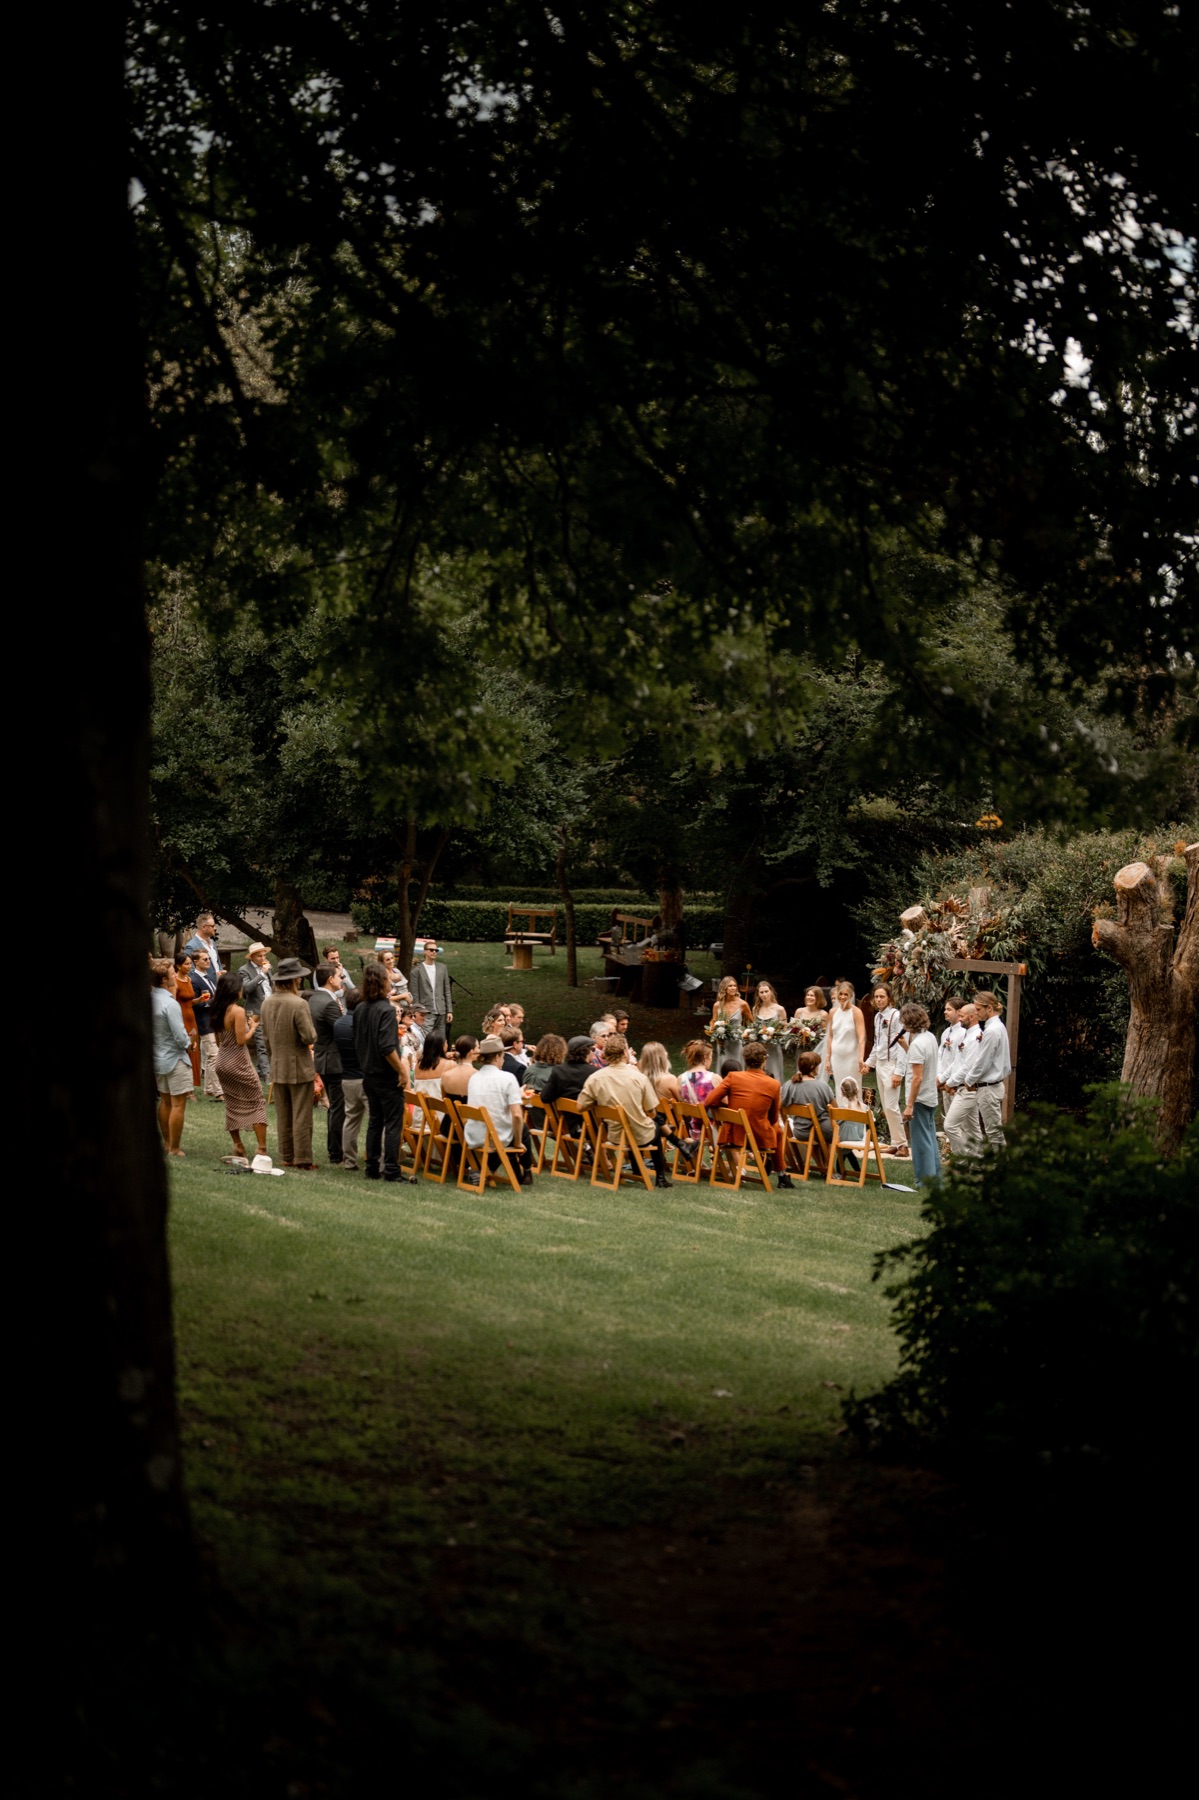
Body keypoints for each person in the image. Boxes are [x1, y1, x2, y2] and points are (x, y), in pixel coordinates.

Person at [578, 1033, 671, 1187]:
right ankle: (661, 1177)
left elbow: (580, 1106)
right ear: (624, 1053)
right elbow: (651, 1112)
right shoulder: (638, 1078)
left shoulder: (595, 1078)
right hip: (639, 1136)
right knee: (654, 1125)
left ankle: (637, 1169)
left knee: (642, 1125)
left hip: (614, 1135)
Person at [702, 1040, 792, 1187]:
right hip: (758, 1138)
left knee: (776, 1130)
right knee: (777, 1130)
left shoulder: (733, 1077)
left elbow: (710, 1100)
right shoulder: (773, 1084)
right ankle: (782, 1176)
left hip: (732, 1135)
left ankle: (781, 1175)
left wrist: (729, 1111)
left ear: (744, 1059)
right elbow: (773, 1117)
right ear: (764, 1060)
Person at [352, 961, 412, 1181]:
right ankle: (392, 1170)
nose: (391, 981)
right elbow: (387, 1047)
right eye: (388, 978)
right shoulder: (386, 1010)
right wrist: (402, 1071)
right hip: (386, 1075)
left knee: (375, 1121)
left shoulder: (360, 1009)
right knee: (393, 1123)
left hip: (368, 1073)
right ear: (381, 982)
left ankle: (371, 1168)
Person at [261, 957, 318, 1171]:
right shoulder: (299, 1003)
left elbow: (266, 1038)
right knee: (302, 1114)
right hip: (299, 1066)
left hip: (277, 1064)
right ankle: (302, 1158)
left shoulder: (267, 1003)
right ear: (294, 980)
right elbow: (309, 1037)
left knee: (283, 1114)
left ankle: (286, 1155)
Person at [211, 970, 269, 1163]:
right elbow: (241, 1040)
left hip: (222, 1061)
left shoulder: (217, 1008)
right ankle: (261, 1148)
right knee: (257, 1101)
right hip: (238, 1061)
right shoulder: (237, 1011)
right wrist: (252, 1027)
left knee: (232, 1103)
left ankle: (237, 1144)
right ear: (234, 989)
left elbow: (220, 1041)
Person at [464, 1034, 532, 1185]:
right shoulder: (507, 1078)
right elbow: (517, 1116)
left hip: (473, 1135)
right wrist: (518, 1143)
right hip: (494, 1137)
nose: (503, 1060)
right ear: (496, 1057)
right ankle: (527, 1170)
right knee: (522, 1127)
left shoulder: (474, 1078)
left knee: (503, 1127)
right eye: (502, 1056)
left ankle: (481, 1169)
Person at [150, 958, 192, 1157]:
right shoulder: (170, 1003)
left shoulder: (149, 999)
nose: (176, 974)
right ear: (164, 980)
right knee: (177, 1104)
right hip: (175, 1059)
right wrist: (189, 1044)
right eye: (172, 972)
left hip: (158, 1057)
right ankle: (174, 1147)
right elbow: (179, 1035)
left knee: (165, 1102)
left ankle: (167, 1143)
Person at [634, 1040, 698, 1170]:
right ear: (660, 1058)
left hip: (651, 1121)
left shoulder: (640, 1078)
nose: (667, 1053)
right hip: (675, 1123)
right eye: (664, 1052)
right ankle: (691, 1156)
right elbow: (682, 1103)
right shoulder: (669, 1079)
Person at [863, 981, 909, 1156]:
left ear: (890, 998)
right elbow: (878, 1044)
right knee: (886, 1106)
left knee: (891, 1106)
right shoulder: (877, 1017)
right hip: (881, 1064)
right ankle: (895, 1143)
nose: (879, 1000)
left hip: (892, 1065)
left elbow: (902, 1045)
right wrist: (869, 1063)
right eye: (876, 997)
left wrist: (899, 1071)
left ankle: (903, 1144)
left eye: (882, 996)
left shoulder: (896, 1016)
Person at [307, 961, 346, 1166]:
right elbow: (342, 1031)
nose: (343, 979)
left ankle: (336, 1149)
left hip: (323, 1056)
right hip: (333, 1059)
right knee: (338, 1107)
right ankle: (336, 1152)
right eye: (340, 976)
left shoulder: (315, 998)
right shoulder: (329, 1003)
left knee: (335, 1106)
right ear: (330, 979)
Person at [900, 1002, 942, 1183]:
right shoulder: (930, 1037)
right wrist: (905, 1048)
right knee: (930, 1140)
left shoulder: (918, 1044)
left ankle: (924, 1180)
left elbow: (917, 1077)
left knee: (920, 1143)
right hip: (930, 1096)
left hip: (920, 1098)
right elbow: (921, 1061)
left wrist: (909, 1105)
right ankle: (935, 1177)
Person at [971, 991, 1012, 1149]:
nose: (976, 1013)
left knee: (993, 1131)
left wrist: (968, 1080)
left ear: (989, 1008)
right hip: (992, 1085)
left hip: (989, 1086)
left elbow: (983, 1062)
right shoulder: (997, 1027)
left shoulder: (992, 1030)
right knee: (993, 1130)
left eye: (978, 1009)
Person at [942, 1002, 984, 1158]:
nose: (959, 1019)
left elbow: (968, 1067)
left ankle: (962, 1159)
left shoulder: (976, 1037)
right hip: (962, 1087)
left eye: (962, 1016)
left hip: (968, 1089)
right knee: (973, 1129)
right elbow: (956, 1062)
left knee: (950, 1125)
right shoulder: (967, 1034)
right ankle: (979, 1160)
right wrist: (943, 1078)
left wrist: (949, 1083)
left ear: (971, 1017)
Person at [334, 990, 366, 1169]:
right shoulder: (361, 1024)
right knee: (378, 1121)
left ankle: (349, 1161)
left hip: (346, 1077)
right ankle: (380, 1160)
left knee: (351, 1120)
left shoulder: (338, 1023)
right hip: (363, 1077)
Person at [540, 1035, 595, 1136]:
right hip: (595, 1128)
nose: (594, 1053)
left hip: (571, 1127)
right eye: (593, 1049)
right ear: (586, 1051)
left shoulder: (559, 1071)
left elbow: (545, 1097)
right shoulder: (594, 1074)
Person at [781, 1050, 833, 1151]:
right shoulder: (822, 1086)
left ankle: (823, 1165)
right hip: (821, 1132)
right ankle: (828, 1164)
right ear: (813, 1067)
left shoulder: (789, 1085)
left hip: (800, 1131)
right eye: (818, 1065)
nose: (819, 1067)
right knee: (834, 1129)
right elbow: (834, 1111)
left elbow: (780, 1105)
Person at [823, 979, 866, 1100]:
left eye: (845, 994)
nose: (842, 997)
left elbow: (862, 1037)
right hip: (837, 1057)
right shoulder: (833, 1012)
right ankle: (842, 1116)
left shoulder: (856, 1012)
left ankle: (855, 1115)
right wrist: (827, 1059)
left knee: (853, 1088)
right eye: (840, 994)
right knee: (839, 1087)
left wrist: (860, 1058)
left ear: (851, 995)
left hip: (852, 1057)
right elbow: (831, 1036)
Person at [239, 943, 275, 1087]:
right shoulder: (244, 970)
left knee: (269, 1042)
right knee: (262, 1044)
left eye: (264, 955)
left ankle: (261, 1070)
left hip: (270, 1010)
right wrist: (262, 974)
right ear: (252, 957)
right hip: (255, 1012)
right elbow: (247, 989)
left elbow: (269, 987)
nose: (262, 958)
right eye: (259, 956)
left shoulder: (266, 967)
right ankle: (267, 1075)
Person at [190, 947, 222, 1099]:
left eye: (209, 958)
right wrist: (213, 1001)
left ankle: (209, 1088)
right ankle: (219, 1091)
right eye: (205, 959)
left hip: (213, 1020)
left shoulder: (208, 977)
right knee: (214, 1056)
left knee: (212, 1056)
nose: (208, 961)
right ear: (195, 962)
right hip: (204, 1021)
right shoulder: (194, 979)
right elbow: (194, 1004)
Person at [409, 938, 452, 1039]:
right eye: (431, 950)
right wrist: (418, 1012)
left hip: (441, 1010)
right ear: (425, 952)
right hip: (426, 1012)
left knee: (441, 1040)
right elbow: (415, 994)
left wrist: (449, 1010)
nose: (434, 952)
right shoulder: (416, 971)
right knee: (426, 1039)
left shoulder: (442, 968)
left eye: (436, 950)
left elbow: (447, 990)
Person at [709, 976, 751, 1072]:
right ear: (724, 988)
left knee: (738, 1066)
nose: (733, 988)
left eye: (734, 985)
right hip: (723, 1043)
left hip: (737, 1042)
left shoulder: (743, 1004)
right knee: (723, 1066)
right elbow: (713, 1022)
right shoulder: (717, 1005)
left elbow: (752, 1022)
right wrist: (715, 1034)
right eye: (730, 986)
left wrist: (746, 1033)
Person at [678, 1039, 718, 1137]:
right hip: (711, 1129)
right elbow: (725, 1103)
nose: (711, 1060)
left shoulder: (680, 1079)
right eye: (711, 1056)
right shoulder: (714, 1078)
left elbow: (681, 1103)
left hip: (690, 1130)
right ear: (705, 1058)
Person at [172, 951, 201, 1086]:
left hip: (191, 1018)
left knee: (194, 1048)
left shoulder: (189, 979)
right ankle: (185, 1085)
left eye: (190, 964)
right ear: (178, 966)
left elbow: (188, 1002)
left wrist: (199, 1000)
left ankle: (192, 1082)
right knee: (186, 1048)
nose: (190, 966)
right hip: (182, 1018)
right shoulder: (175, 982)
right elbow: (173, 1002)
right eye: (187, 964)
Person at [751, 979, 788, 1082]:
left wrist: (775, 1035)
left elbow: (785, 1031)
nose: (764, 994)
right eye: (761, 992)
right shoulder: (755, 1009)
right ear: (758, 994)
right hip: (760, 1048)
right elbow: (754, 1027)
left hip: (774, 1047)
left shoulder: (779, 1009)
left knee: (775, 1074)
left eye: (766, 991)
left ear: (771, 991)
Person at [835, 1076, 871, 1172]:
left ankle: (839, 1173)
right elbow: (871, 1124)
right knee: (846, 1151)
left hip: (844, 1139)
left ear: (843, 1093)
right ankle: (858, 1172)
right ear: (857, 1090)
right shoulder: (865, 1108)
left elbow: (836, 1123)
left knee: (843, 1150)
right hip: (859, 1137)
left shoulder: (843, 1108)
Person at [789, 986, 829, 1055]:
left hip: (816, 1049)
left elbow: (825, 1034)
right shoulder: (799, 1011)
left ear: (818, 998)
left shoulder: (823, 1014)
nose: (809, 997)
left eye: (812, 996)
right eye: (808, 995)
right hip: (800, 1048)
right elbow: (793, 1030)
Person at [184, 910, 223, 976]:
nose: (215, 928)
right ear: (204, 927)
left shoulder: (212, 942)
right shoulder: (191, 946)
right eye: (212, 926)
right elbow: (191, 971)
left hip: (218, 984)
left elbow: (218, 963)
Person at [441, 1035, 479, 1102]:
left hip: (449, 1111)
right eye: (478, 1047)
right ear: (471, 1051)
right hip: (470, 1112)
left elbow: (443, 1098)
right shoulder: (477, 1076)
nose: (479, 1050)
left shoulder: (445, 1075)